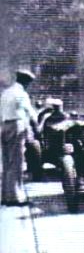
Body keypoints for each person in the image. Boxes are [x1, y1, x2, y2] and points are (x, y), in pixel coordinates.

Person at [1, 70, 38, 206]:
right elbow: (30, 112)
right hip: (16, 125)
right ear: (26, 82)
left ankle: (6, 196)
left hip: (4, 125)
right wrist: (36, 127)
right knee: (16, 162)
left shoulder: (6, 92)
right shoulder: (22, 94)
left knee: (6, 163)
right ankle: (16, 197)